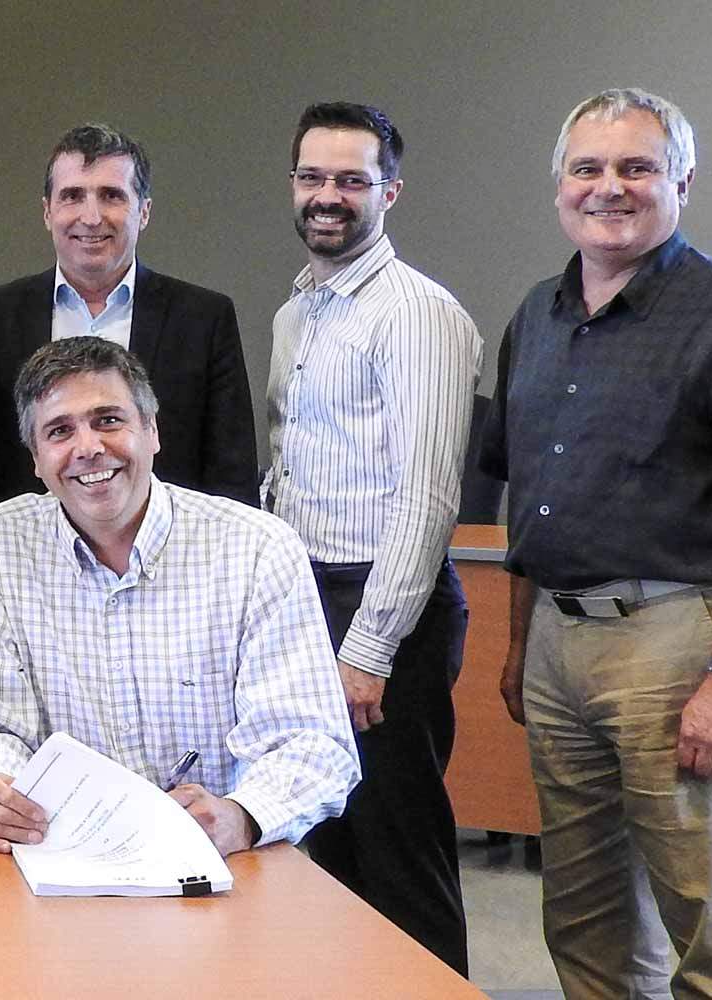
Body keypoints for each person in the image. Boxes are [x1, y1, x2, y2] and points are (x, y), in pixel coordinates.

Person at [480, 88, 712, 998]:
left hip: (676, 641)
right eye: (588, 167)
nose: (610, 187)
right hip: (556, 639)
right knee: (582, 917)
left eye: (637, 167)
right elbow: (527, 498)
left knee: (710, 922)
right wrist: (516, 648)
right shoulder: (536, 318)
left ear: (683, 181)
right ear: (560, 186)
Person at [0, 337, 357, 857]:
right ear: (35, 458)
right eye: (60, 431)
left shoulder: (257, 548)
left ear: (152, 431)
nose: (88, 447)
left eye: (109, 420)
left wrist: (243, 814)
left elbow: (312, 743)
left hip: (225, 867)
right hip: (58, 858)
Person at [265, 102, 482, 974]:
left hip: (383, 609)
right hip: (308, 598)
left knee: (401, 853)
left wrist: (369, 649)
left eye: (352, 180)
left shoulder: (415, 312)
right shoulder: (299, 310)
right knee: (333, 852)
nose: (330, 196)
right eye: (314, 177)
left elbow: (428, 498)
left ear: (389, 190)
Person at [0, 123, 257, 506]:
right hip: (32, 557)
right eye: (72, 196)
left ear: (144, 211)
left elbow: (232, 476)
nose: (91, 216)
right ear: (47, 212)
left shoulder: (203, 319)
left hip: (170, 557)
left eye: (111, 196)